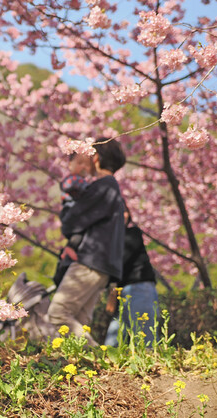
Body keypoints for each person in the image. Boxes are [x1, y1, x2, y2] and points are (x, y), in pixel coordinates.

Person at [46, 137, 126, 346]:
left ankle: (97, 358)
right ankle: (79, 367)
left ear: (96, 158)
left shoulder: (103, 186)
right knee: (79, 319)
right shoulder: (111, 188)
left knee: (58, 313)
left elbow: (70, 222)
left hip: (90, 261)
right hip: (103, 264)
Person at [104, 209, 159, 347]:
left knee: (145, 337)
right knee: (113, 342)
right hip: (123, 292)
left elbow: (120, 260)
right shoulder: (109, 240)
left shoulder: (132, 234)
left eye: (125, 211)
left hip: (139, 288)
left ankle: (152, 367)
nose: (122, 214)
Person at [53, 153, 94, 287]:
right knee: (77, 235)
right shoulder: (72, 180)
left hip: (75, 215)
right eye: (80, 162)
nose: (84, 166)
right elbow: (72, 187)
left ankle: (70, 255)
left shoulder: (80, 180)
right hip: (70, 214)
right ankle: (69, 254)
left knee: (80, 237)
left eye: (87, 164)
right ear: (70, 164)